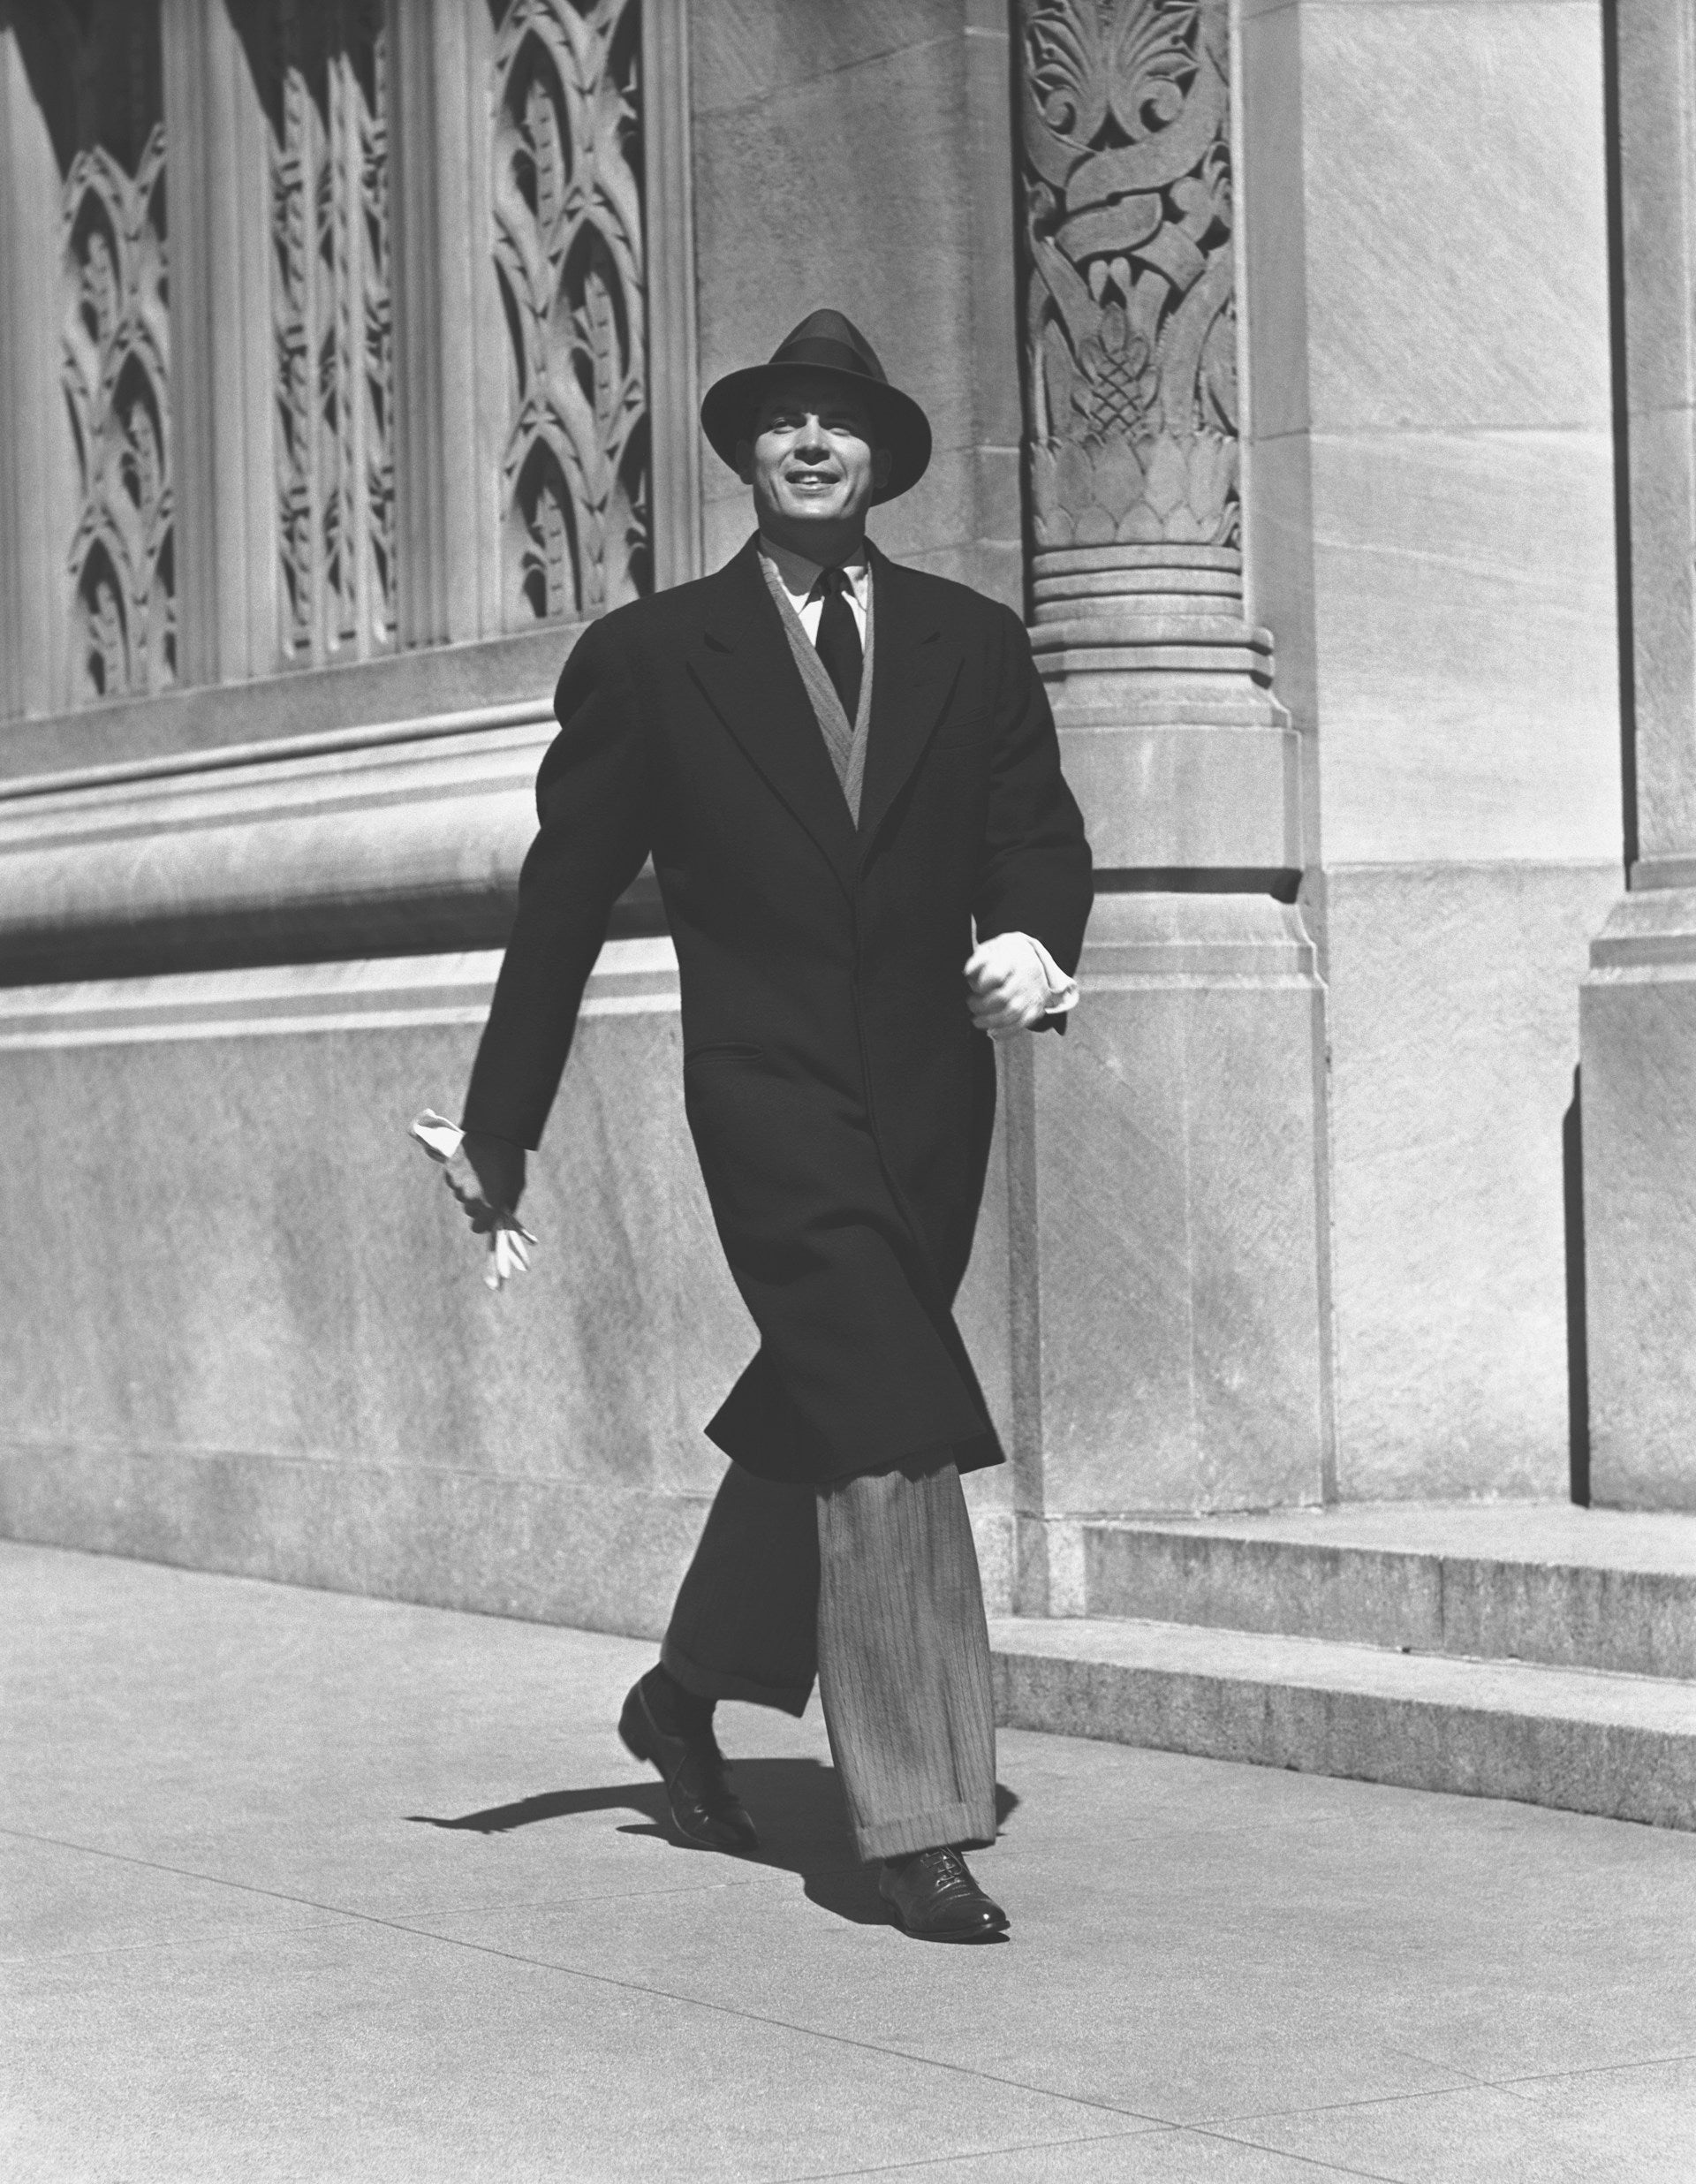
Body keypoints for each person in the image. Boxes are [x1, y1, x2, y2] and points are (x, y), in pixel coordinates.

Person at [445, 309, 1093, 1941]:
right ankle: (920, 1817)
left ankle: (682, 1694)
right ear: (746, 456)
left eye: (843, 423)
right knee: (888, 1424)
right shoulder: (655, 656)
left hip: (938, 1102)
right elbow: (566, 898)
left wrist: (1037, 941)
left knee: (829, 1397)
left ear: (881, 458)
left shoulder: (973, 639)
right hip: (770, 1102)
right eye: (783, 423)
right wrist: (498, 1128)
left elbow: (1037, 834)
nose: (812, 444)